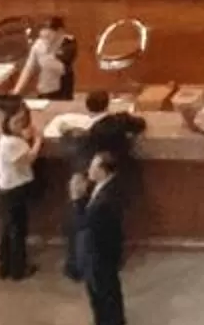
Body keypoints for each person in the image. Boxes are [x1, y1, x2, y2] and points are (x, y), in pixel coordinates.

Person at [56, 91, 145, 281]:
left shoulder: (93, 134)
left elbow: (80, 150)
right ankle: (114, 259)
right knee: (113, 222)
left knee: (85, 222)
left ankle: (78, 266)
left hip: (102, 178)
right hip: (121, 174)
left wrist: (71, 134)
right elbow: (139, 124)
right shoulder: (120, 120)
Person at [78, 150, 127, 325]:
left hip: (98, 253)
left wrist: (76, 201)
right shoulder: (112, 187)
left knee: (99, 294)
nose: (89, 170)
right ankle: (117, 318)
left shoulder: (102, 202)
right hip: (110, 250)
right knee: (112, 286)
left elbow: (84, 223)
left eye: (94, 167)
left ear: (104, 172)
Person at [0, 101, 38, 281]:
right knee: (17, 231)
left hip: (6, 189)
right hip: (15, 190)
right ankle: (18, 269)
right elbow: (27, 160)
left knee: (6, 230)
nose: (20, 125)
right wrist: (38, 141)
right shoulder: (12, 143)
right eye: (17, 121)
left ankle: (5, 267)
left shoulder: (8, 138)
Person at [16, 16, 76, 103]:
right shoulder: (39, 44)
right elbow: (29, 68)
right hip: (44, 89)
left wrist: (47, 50)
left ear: (60, 32)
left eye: (49, 34)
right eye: (43, 33)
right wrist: (17, 90)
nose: (45, 38)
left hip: (61, 91)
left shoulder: (68, 43)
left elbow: (60, 69)